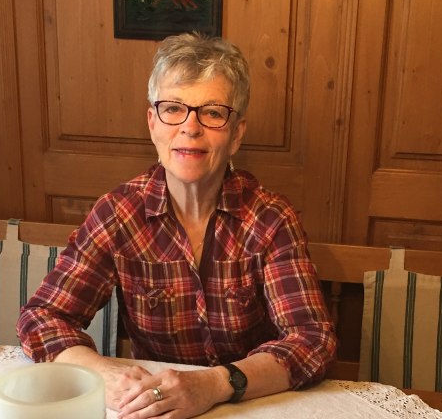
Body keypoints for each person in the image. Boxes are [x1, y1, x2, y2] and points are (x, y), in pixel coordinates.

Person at [17, 32, 337, 419]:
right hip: (153, 410)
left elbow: (313, 340)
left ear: (237, 134)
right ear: (153, 123)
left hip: (252, 407)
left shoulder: (271, 218)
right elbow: (42, 318)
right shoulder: (119, 213)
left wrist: (217, 384)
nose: (190, 127)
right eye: (173, 109)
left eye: (213, 112)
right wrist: (104, 372)